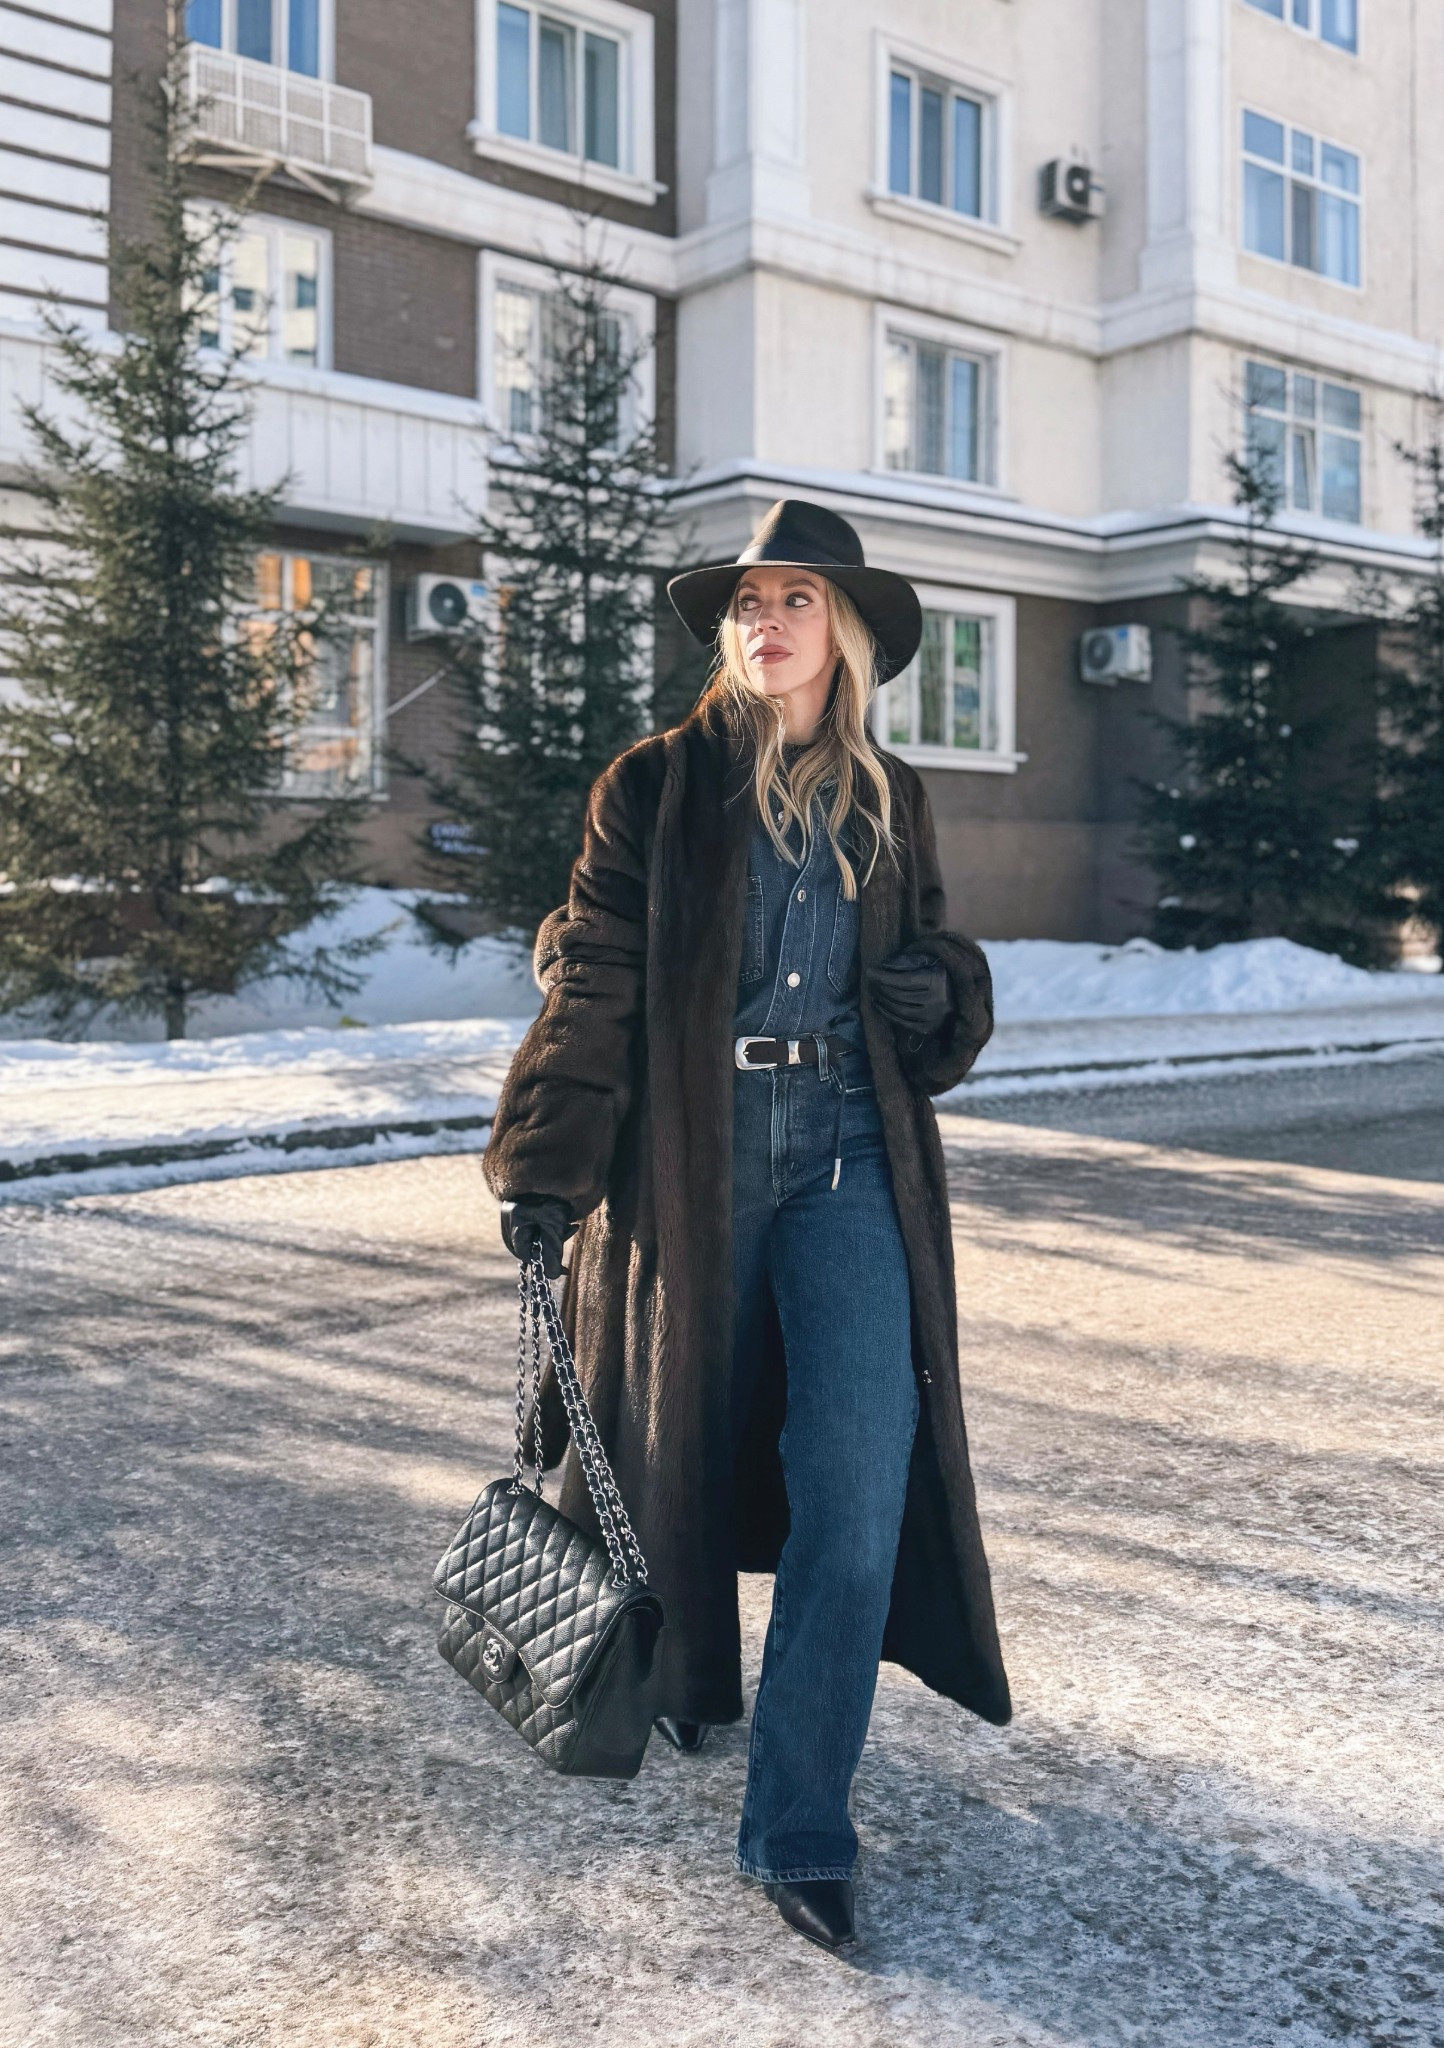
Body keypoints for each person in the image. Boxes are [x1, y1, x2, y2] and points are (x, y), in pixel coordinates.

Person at [483, 499, 1011, 1954]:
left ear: (840, 630)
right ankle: (694, 1691)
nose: (765, 623)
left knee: (857, 1492)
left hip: (849, 1163)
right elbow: (590, 971)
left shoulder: (889, 797)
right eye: (746, 603)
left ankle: (799, 1825)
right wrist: (546, 1164)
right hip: (692, 1166)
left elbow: (939, 967)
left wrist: (936, 998)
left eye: (795, 600)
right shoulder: (655, 786)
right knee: (677, 1467)